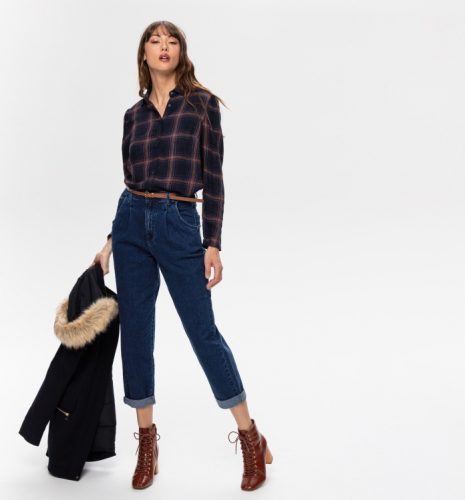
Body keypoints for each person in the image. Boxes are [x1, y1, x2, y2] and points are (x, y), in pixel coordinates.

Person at [90, 20, 273, 491]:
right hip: (131, 223)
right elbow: (129, 183)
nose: (164, 46)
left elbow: (214, 179)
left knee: (202, 333)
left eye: (171, 41)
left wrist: (213, 242)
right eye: (155, 40)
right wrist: (110, 242)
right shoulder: (132, 116)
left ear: (181, 52)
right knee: (136, 335)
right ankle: (147, 443)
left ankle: (250, 437)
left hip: (179, 222)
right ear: (144, 54)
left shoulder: (200, 105)